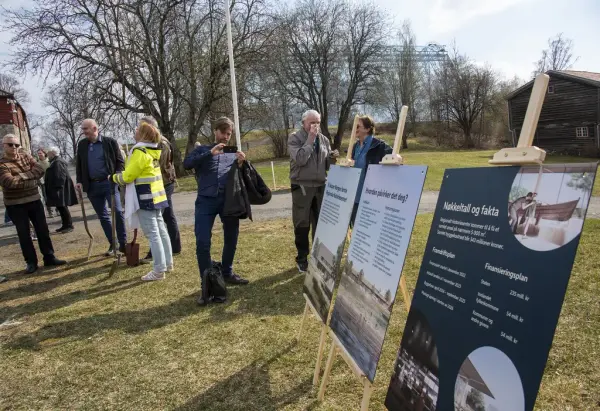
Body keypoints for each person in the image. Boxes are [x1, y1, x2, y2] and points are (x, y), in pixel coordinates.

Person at [184, 116, 249, 294]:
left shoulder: (232, 152)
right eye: (223, 133)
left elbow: (241, 178)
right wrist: (209, 153)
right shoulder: (202, 149)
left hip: (228, 202)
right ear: (215, 131)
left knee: (231, 237)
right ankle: (207, 280)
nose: (225, 137)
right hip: (205, 201)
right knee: (202, 241)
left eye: (229, 134)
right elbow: (186, 164)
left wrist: (242, 164)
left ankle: (227, 272)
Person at [111, 122, 173, 281]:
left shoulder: (139, 151)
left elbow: (128, 176)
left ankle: (159, 270)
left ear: (144, 134)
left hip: (146, 197)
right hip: (157, 196)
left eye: (138, 129)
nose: (135, 131)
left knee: (153, 234)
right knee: (160, 230)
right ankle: (167, 263)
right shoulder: (152, 150)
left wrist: (113, 177)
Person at [0, 134, 67, 273]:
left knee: (43, 230)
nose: (15, 148)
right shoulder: (2, 164)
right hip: (15, 204)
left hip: (34, 200)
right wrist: (30, 177)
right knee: (24, 234)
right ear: (4, 145)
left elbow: (40, 170)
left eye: (17, 145)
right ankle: (31, 262)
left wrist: (22, 176)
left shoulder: (26, 156)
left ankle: (49, 257)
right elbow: (10, 182)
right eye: (10, 145)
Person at [288, 109, 338, 273]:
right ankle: (302, 259)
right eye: (312, 122)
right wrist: (310, 138)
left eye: (317, 122)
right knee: (302, 224)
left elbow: (327, 166)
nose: (315, 126)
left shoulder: (324, 139)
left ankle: (318, 257)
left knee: (321, 224)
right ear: (304, 123)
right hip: (302, 187)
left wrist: (332, 157)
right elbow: (301, 159)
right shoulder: (294, 138)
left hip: (320, 186)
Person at [75, 119, 127, 255]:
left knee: (117, 211)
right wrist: (79, 181)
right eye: (83, 129)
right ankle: (113, 244)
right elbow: (79, 165)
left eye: (86, 129)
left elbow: (120, 162)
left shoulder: (110, 142)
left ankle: (123, 243)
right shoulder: (82, 145)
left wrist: (116, 175)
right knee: (103, 216)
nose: (83, 132)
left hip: (108, 183)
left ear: (94, 128)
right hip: (92, 185)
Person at [137, 116, 181, 263]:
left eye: (142, 127)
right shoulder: (156, 142)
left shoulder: (161, 143)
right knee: (167, 215)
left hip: (164, 183)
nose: (140, 130)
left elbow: (155, 165)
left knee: (158, 218)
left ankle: (155, 253)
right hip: (161, 183)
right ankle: (175, 247)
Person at [349, 115, 392, 226]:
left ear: (368, 129)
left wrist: (398, 158)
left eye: (358, 126)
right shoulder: (355, 147)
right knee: (354, 231)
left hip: (371, 199)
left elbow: (396, 161)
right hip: (354, 197)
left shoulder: (379, 146)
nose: (355, 129)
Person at [45, 146, 78, 233]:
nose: (47, 154)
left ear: (52, 153)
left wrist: (57, 188)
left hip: (59, 189)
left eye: (48, 153)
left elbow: (60, 176)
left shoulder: (57, 162)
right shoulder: (54, 161)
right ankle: (65, 225)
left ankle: (69, 225)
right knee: (60, 207)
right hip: (58, 188)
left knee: (63, 207)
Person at [37, 148, 55, 218]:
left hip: (51, 181)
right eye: (38, 154)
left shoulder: (49, 161)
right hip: (43, 183)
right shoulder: (37, 163)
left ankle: (58, 209)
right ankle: (50, 212)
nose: (39, 155)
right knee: (45, 197)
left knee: (54, 196)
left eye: (40, 153)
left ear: (44, 153)